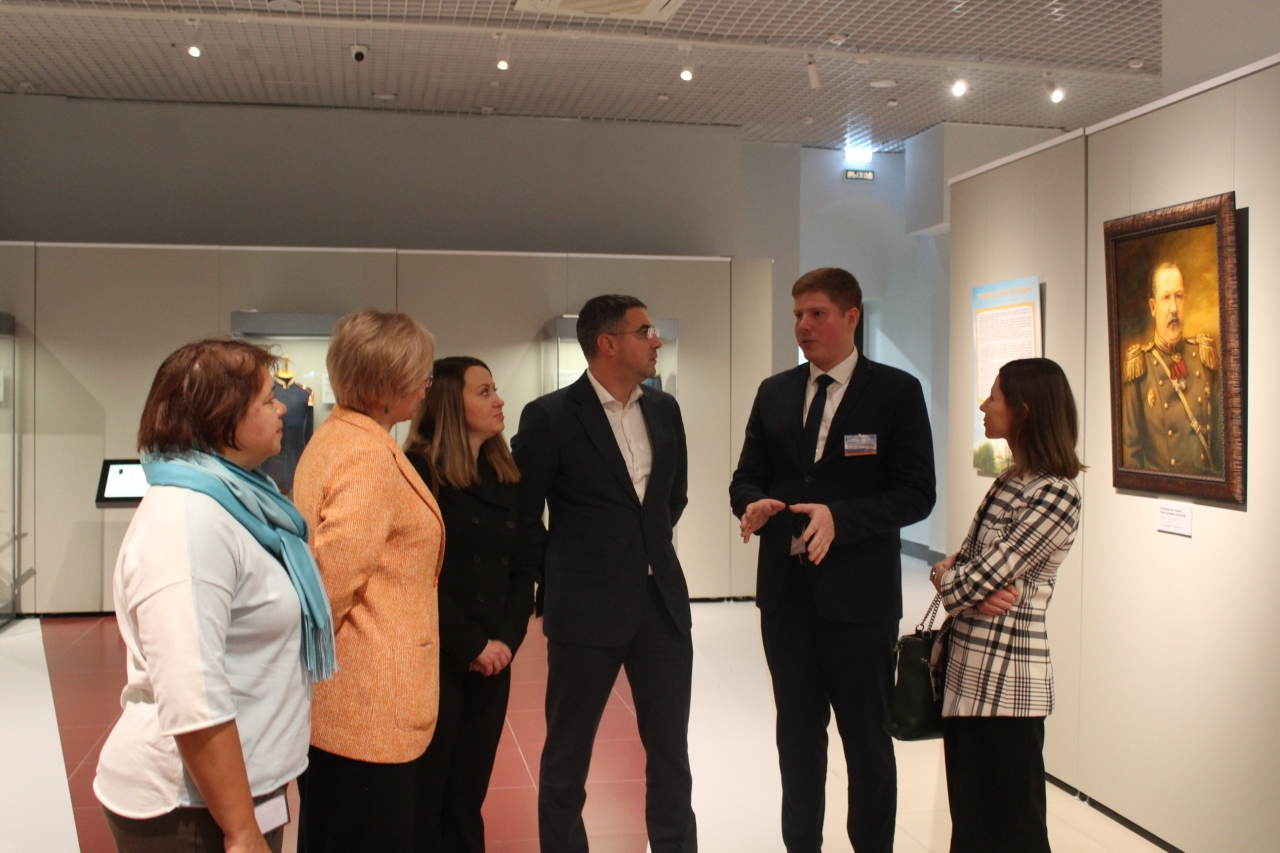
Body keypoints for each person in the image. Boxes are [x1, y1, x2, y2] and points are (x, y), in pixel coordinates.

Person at [95, 339, 336, 853]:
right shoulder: (187, 519)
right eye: (268, 400)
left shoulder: (237, 500)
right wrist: (242, 829)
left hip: (239, 791)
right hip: (190, 809)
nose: (282, 409)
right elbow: (193, 693)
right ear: (220, 418)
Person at [729, 268, 935, 853]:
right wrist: (753, 504)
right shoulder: (774, 392)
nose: (803, 325)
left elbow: (917, 494)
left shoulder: (895, 392)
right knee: (796, 740)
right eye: (797, 314)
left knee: (867, 743)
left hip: (860, 603)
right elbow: (745, 477)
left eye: (816, 313)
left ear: (851, 317)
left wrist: (841, 518)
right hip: (787, 600)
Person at [512, 294, 696, 853]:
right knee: (568, 758)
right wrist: (564, 573)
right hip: (585, 610)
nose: (657, 340)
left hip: (660, 606)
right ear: (607, 343)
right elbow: (523, 515)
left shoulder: (664, 409)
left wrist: (643, 551)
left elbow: (672, 498)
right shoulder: (550, 416)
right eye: (645, 331)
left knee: (671, 755)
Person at [293, 309, 444, 853]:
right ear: (386, 384)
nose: (426, 387)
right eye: (420, 375)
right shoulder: (368, 454)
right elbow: (331, 582)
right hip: (366, 701)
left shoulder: (338, 435)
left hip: (345, 695)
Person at [929, 357, 1083, 853]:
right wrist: (949, 576)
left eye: (993, 397)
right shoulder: (1008, 480)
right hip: (966, 678)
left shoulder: (1057, 495)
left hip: (1008, 689)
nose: (983, 405)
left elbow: (968, 580)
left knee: (1015, 833)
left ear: (1023, 410)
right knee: (971, 831)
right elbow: (960, 570)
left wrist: (954, 580)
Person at [405, 356, 536, 853]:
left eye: (494, 389)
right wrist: (473, 645)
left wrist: (505, 640)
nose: (499, 401)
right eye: (484, 392)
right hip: (438, 656)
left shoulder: (506, 474)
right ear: (448, 404)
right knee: (428, 797)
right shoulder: (419, 471)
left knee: (467, 796)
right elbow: (414, 576)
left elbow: (523, 565)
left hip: (493, 659)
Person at [1121, 261, 1220, 474]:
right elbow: (1131, 457)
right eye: (1166, 298)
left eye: (1179, 296)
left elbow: (1221, 444)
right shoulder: (1140, 367)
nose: (1174, 308)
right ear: (1153, 307)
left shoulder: (1204, 357)